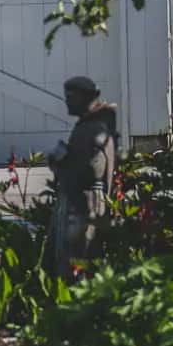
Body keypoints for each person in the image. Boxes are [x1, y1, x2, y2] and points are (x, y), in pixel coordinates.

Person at [46, 75, 118, 279]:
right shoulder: (90, 126)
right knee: (73, 258)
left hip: (84, 205)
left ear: (86, 97)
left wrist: (59, 163)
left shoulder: (93, 130)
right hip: (80, 201)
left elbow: (90, 170)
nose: (67, 101)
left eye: (71, 96)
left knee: (78, 260)